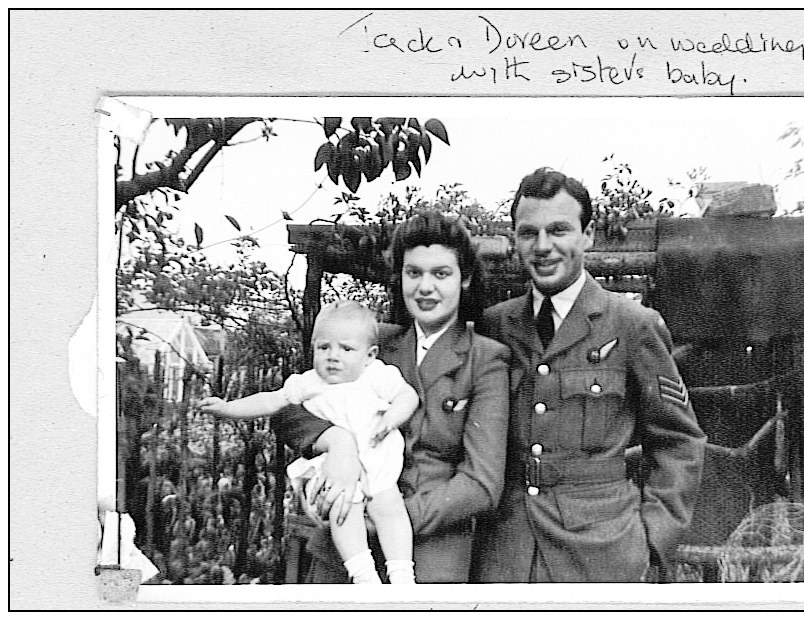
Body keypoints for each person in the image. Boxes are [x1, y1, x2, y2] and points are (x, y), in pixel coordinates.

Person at [471, 167, 708, 583]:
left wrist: (654, 539)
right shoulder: (497, 325)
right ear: (515, 239)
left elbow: (679, 441)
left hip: (602, 551)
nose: (543, 247)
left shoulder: (632, 324)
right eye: (529, 233)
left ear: (588, 234)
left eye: (559, 230)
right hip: (506, 550)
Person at [275, 211, 510, 583]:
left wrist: (385, 516)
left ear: (464, 279)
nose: (425, 287)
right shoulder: (372, 344)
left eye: (441, 273)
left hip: (431, 553)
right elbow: (290, 408)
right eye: (413, 273)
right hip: (343, 547)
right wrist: (337, 444)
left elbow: (481, 484)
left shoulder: (485, 359)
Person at [198, 300, 420, 584]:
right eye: (324, 347)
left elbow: (407, 396)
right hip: (334, 469)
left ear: (369, 355)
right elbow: (271, 401)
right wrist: (228, 408)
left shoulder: (376, 374)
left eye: (346, 349)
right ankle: (364, 575)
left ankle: (402, 574)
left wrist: (392, 418)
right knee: (343, 509)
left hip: (377, 459)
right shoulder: (309, 382)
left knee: (390, 509)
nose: (333, 356)